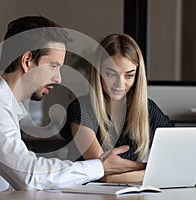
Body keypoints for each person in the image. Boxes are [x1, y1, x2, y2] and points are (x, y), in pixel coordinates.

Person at [0, 17, 145, 197]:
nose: (58, 78)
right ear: (27, 60)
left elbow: (27, 171)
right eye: (53, 66)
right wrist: (99, 166)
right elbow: (28, 175)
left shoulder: (2, 104)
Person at [60, 33, 171, 183]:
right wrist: (149, 169)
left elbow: (173, 160)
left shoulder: (147, 109)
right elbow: (101, 170)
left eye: (129, 75)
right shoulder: (81, 109)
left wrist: (124, 175)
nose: (120, 84)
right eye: (111, 74)